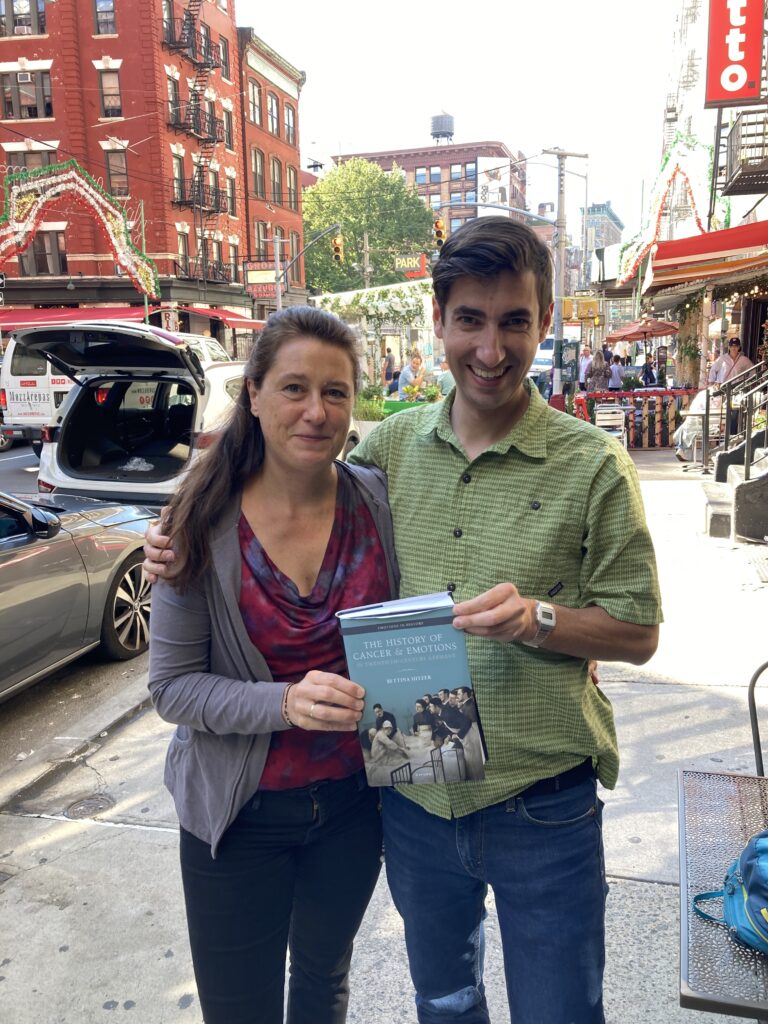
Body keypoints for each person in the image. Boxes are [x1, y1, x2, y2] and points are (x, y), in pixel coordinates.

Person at [145, 218, 662, 1023]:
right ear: (438, 322)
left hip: (539, 804)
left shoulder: (591, 465)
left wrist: (543, 622)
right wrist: (176, 537)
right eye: (471, 321)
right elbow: (274, 485)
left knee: (557, 1010)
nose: (491, 349)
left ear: (546, 322)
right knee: (444, 1005)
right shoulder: (389, 454)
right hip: (416, 798)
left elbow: (639, 631)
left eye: (514, 321)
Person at [146, 306, 400, 1024]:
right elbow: (171, 689)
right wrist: (283, 703)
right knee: (240, 1010)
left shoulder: (376, 499)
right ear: (252, 393)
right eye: (294, 388)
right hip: (237, 819)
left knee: (322, 987)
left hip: (353, 810)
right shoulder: (196, 520)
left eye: (336, 392)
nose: (316, 412)